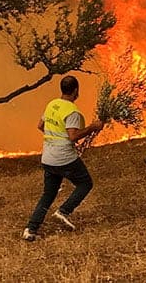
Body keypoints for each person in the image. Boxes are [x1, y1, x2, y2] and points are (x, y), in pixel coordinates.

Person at [23, 75, 103, 241]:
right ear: (76, 91)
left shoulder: (52, 104)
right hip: (64, 157)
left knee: (48, 194)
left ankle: (30, 229)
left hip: (48, 157)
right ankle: (63, 211)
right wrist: (93, 127)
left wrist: (54, 138)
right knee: (85, 183)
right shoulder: (72, 112)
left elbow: (40, 126)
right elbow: (73, 136)